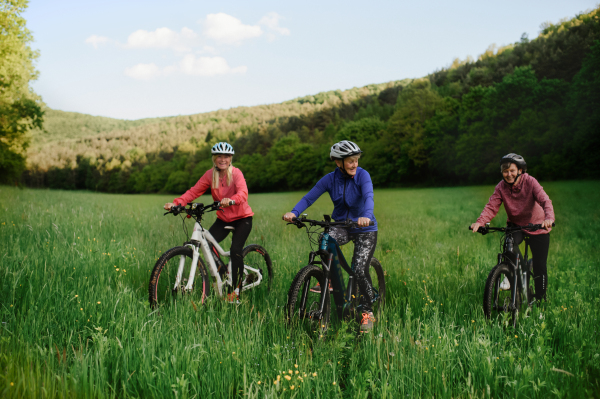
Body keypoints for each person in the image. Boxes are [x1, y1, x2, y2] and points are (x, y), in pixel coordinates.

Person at [282, 140, 378, 332]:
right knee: (325, 239)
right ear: (338, 162)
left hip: (364, 228)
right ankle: (331, 279)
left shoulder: (363, 176)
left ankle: (368, 311)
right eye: (350, 161)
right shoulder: (329, 179)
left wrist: (366, 216)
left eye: (356, 160)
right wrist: (294, 212)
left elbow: (368, 197)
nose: (355, 164)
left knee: (359, 269)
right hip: (341, 225)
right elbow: (309, 197)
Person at [164, 142, 253, 303]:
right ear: (214, 158)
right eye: (219, 156)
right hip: (224, 218)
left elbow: (243, 193)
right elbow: (193, 192)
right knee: (207, 243)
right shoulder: (210, 175)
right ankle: (223, 271)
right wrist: (177, 203)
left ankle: (235, 291)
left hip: (242, 219)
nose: (222, 159)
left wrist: (231, 200)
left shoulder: (236, 174)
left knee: (235, 250)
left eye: (226, 156)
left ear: (231, 158)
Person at [470, 153, 555, 304]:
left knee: (539, 266)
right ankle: (511, 271)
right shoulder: (501, 187)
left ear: (520, 170)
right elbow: (491, 206)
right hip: (516, 225)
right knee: (508, 245)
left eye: (512, 171)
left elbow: (545, 200)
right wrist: (480, 222)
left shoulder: (530, 182)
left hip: (538, 226)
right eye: (505, 171)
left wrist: (549, 218)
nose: (508, 174)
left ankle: (540, 300)